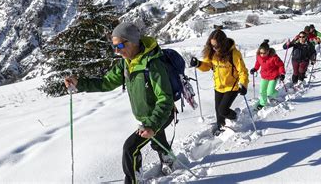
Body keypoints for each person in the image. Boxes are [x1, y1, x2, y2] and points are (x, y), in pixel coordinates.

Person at [64, 22, 175, 184]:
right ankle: (167, 157)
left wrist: (152, 124)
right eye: (114, 46)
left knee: (130, 148)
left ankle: (133, 180)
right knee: (157, 141)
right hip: (147, 116)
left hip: (162, 114)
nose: (116, 50)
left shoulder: (153, 65)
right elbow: (106, 82)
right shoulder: (126, 63)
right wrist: (80, 83)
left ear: (133, 42)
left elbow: (165, 99)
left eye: (120, 45)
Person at [189, 29, 249, 136]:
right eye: (212, 45)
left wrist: (243, 84)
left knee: (223, 109)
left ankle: (234, 115)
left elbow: (242, 71)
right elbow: (207, 66)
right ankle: (220, 126)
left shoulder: (234, 54)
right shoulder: (212, 53)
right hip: (218, 86)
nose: (214, 48)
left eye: (216, 46)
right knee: (218, 110)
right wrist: (198, 64)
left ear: (223, 43)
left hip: (232, 86)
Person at [249, 39, 286, 110]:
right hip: (264, 76)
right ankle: (263, 103)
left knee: (270, 92)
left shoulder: (274, 57)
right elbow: (258, 63)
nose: (262, 55)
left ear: (268, 51)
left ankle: (276, 94)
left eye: (264, 53)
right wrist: (255, 69)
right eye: (261, 53)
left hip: (273, 76)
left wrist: (282, 73)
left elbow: (281, 65)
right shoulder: (259, 56)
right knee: (262, 90)